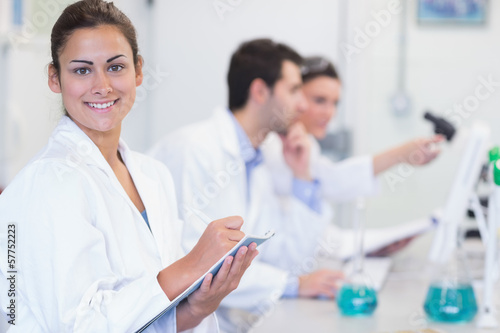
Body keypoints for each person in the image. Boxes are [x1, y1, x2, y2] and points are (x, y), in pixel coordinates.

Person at [0, 1, 257, 332]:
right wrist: (192, 265)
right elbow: (79, 325)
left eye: (115, 67)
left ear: (138, 71)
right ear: (55, 78)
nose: (102, 86)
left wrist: (199, 306)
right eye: (81, 70)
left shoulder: (153, 175)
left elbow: (150, 317)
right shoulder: (49, 181)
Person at [149, 39, 344, 322]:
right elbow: (196, 263)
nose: (302, 104)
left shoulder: (256, 161)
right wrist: (293, 285)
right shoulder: (194, 150)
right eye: (293, 90)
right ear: (260, 91)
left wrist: (302, 177)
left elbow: (285, 258)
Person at [261, 56, 443, 257]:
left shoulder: (305, 145)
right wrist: (399, 155)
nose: (329, 112)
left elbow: (317, 216)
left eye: (335, 103)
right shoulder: (272, 150)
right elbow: (330, 182)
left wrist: (367, 246)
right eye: (320, 100)